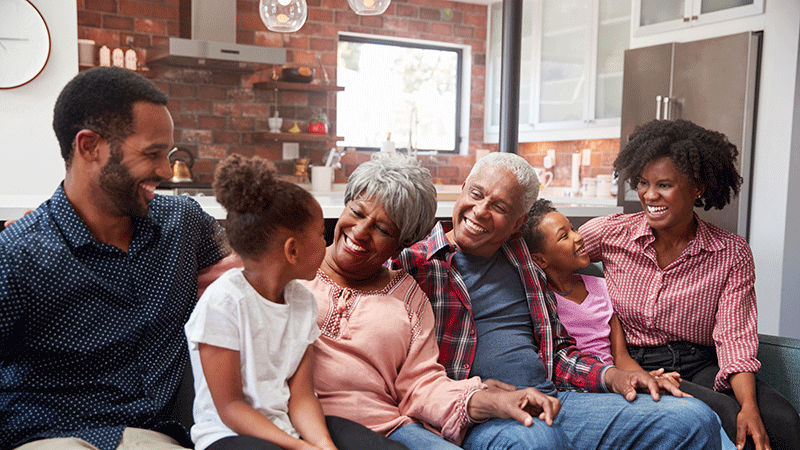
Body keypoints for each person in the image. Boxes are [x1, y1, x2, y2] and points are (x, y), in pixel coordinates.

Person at [392, 151, 723, 450]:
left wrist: (613, 377)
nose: (479, 211)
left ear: (518, 224)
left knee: (693, 418)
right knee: (538, 440)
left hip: (555, 400)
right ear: (463, 188)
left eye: (500, 207)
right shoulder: (415, 264)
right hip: (480, 414)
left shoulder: (523, 260)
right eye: (476, 194)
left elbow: (559, 353)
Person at [0, 66, 237, 450]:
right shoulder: (20, 254)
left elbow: (258, 265)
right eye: (151, 154)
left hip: (159, 436)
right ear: (89, 147)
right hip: (50, 437)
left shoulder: (183, 225)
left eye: (168, 155)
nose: (165, 171)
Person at [302, 153, 560, 450]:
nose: (360, 232)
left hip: (390, 428)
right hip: (305, 419)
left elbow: (422, 386)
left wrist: (493, 401)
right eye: (358, 212)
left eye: (383, 230)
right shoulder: (290, 266)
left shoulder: (408, 293)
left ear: (401, 245)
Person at [579, 119, 800, 450]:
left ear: (697, 188)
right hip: (633, 361)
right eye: (642, 182)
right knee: (721, 413)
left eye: (664, 185)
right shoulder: (611, 233)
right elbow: (547, 252)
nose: (649, 195)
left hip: (700, 362)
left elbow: (735, 338)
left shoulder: (730, 252)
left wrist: (750, 406)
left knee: (780, 420)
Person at [184, 154, 403, 450]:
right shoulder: (223, 303)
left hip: (286, 426)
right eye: (319, 233)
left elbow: (301, 397)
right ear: (292, 250)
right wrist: (298, 447)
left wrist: (325, 447)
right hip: (227, 436)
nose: (326, 243)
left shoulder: (302, 302)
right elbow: (231, 408)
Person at [522, 198, 737, 450]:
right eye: (564, 236)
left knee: (705, 414)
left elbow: (621, 356)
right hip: (580, 391)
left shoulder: (601, 287)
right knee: (691, 416)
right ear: (540, 260)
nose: (578, 237)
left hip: (618, 383)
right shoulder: (541, 301)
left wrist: (645, 379)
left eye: (573, 228)